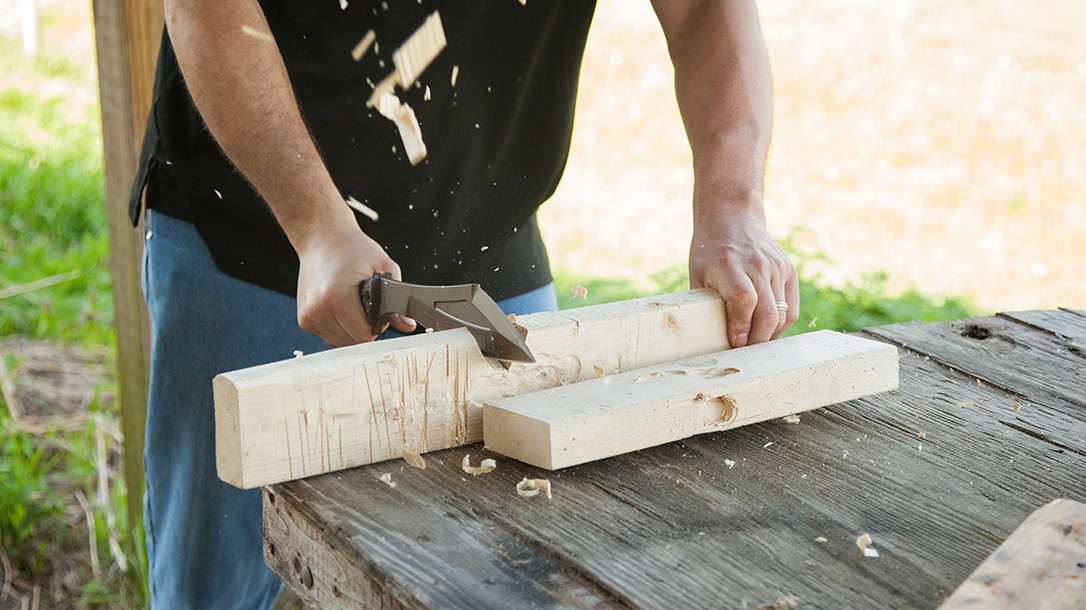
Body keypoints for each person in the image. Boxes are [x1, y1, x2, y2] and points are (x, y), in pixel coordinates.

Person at [129, 0, 798, 607]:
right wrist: (314, 224)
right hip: (256, 225)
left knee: (522, 567)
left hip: (486, 227)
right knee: (213, 588)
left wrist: (733, 205)